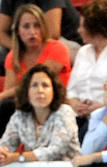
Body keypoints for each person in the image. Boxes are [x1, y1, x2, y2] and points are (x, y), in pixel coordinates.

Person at [0, 4, 70, 132]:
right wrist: (4, 96)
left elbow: (35, 80)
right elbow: (10, 92)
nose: (32, 32)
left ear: (43, 27)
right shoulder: (12, 56)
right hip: (25, 106)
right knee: (6, 106)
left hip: (53, 105)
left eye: (37, 25)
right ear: (18, 31)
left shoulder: (57, 48)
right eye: (26, 27)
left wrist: (2, 95)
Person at [0, 61, 79, 162]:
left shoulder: (65, 112)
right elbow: (6, 144)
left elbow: (56, 151)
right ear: (26, 91)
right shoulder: (20, 115)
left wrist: (18, 157)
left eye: (45, 85)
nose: (40, 90)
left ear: (54, 91)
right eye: (34, 85)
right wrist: (2, 153)